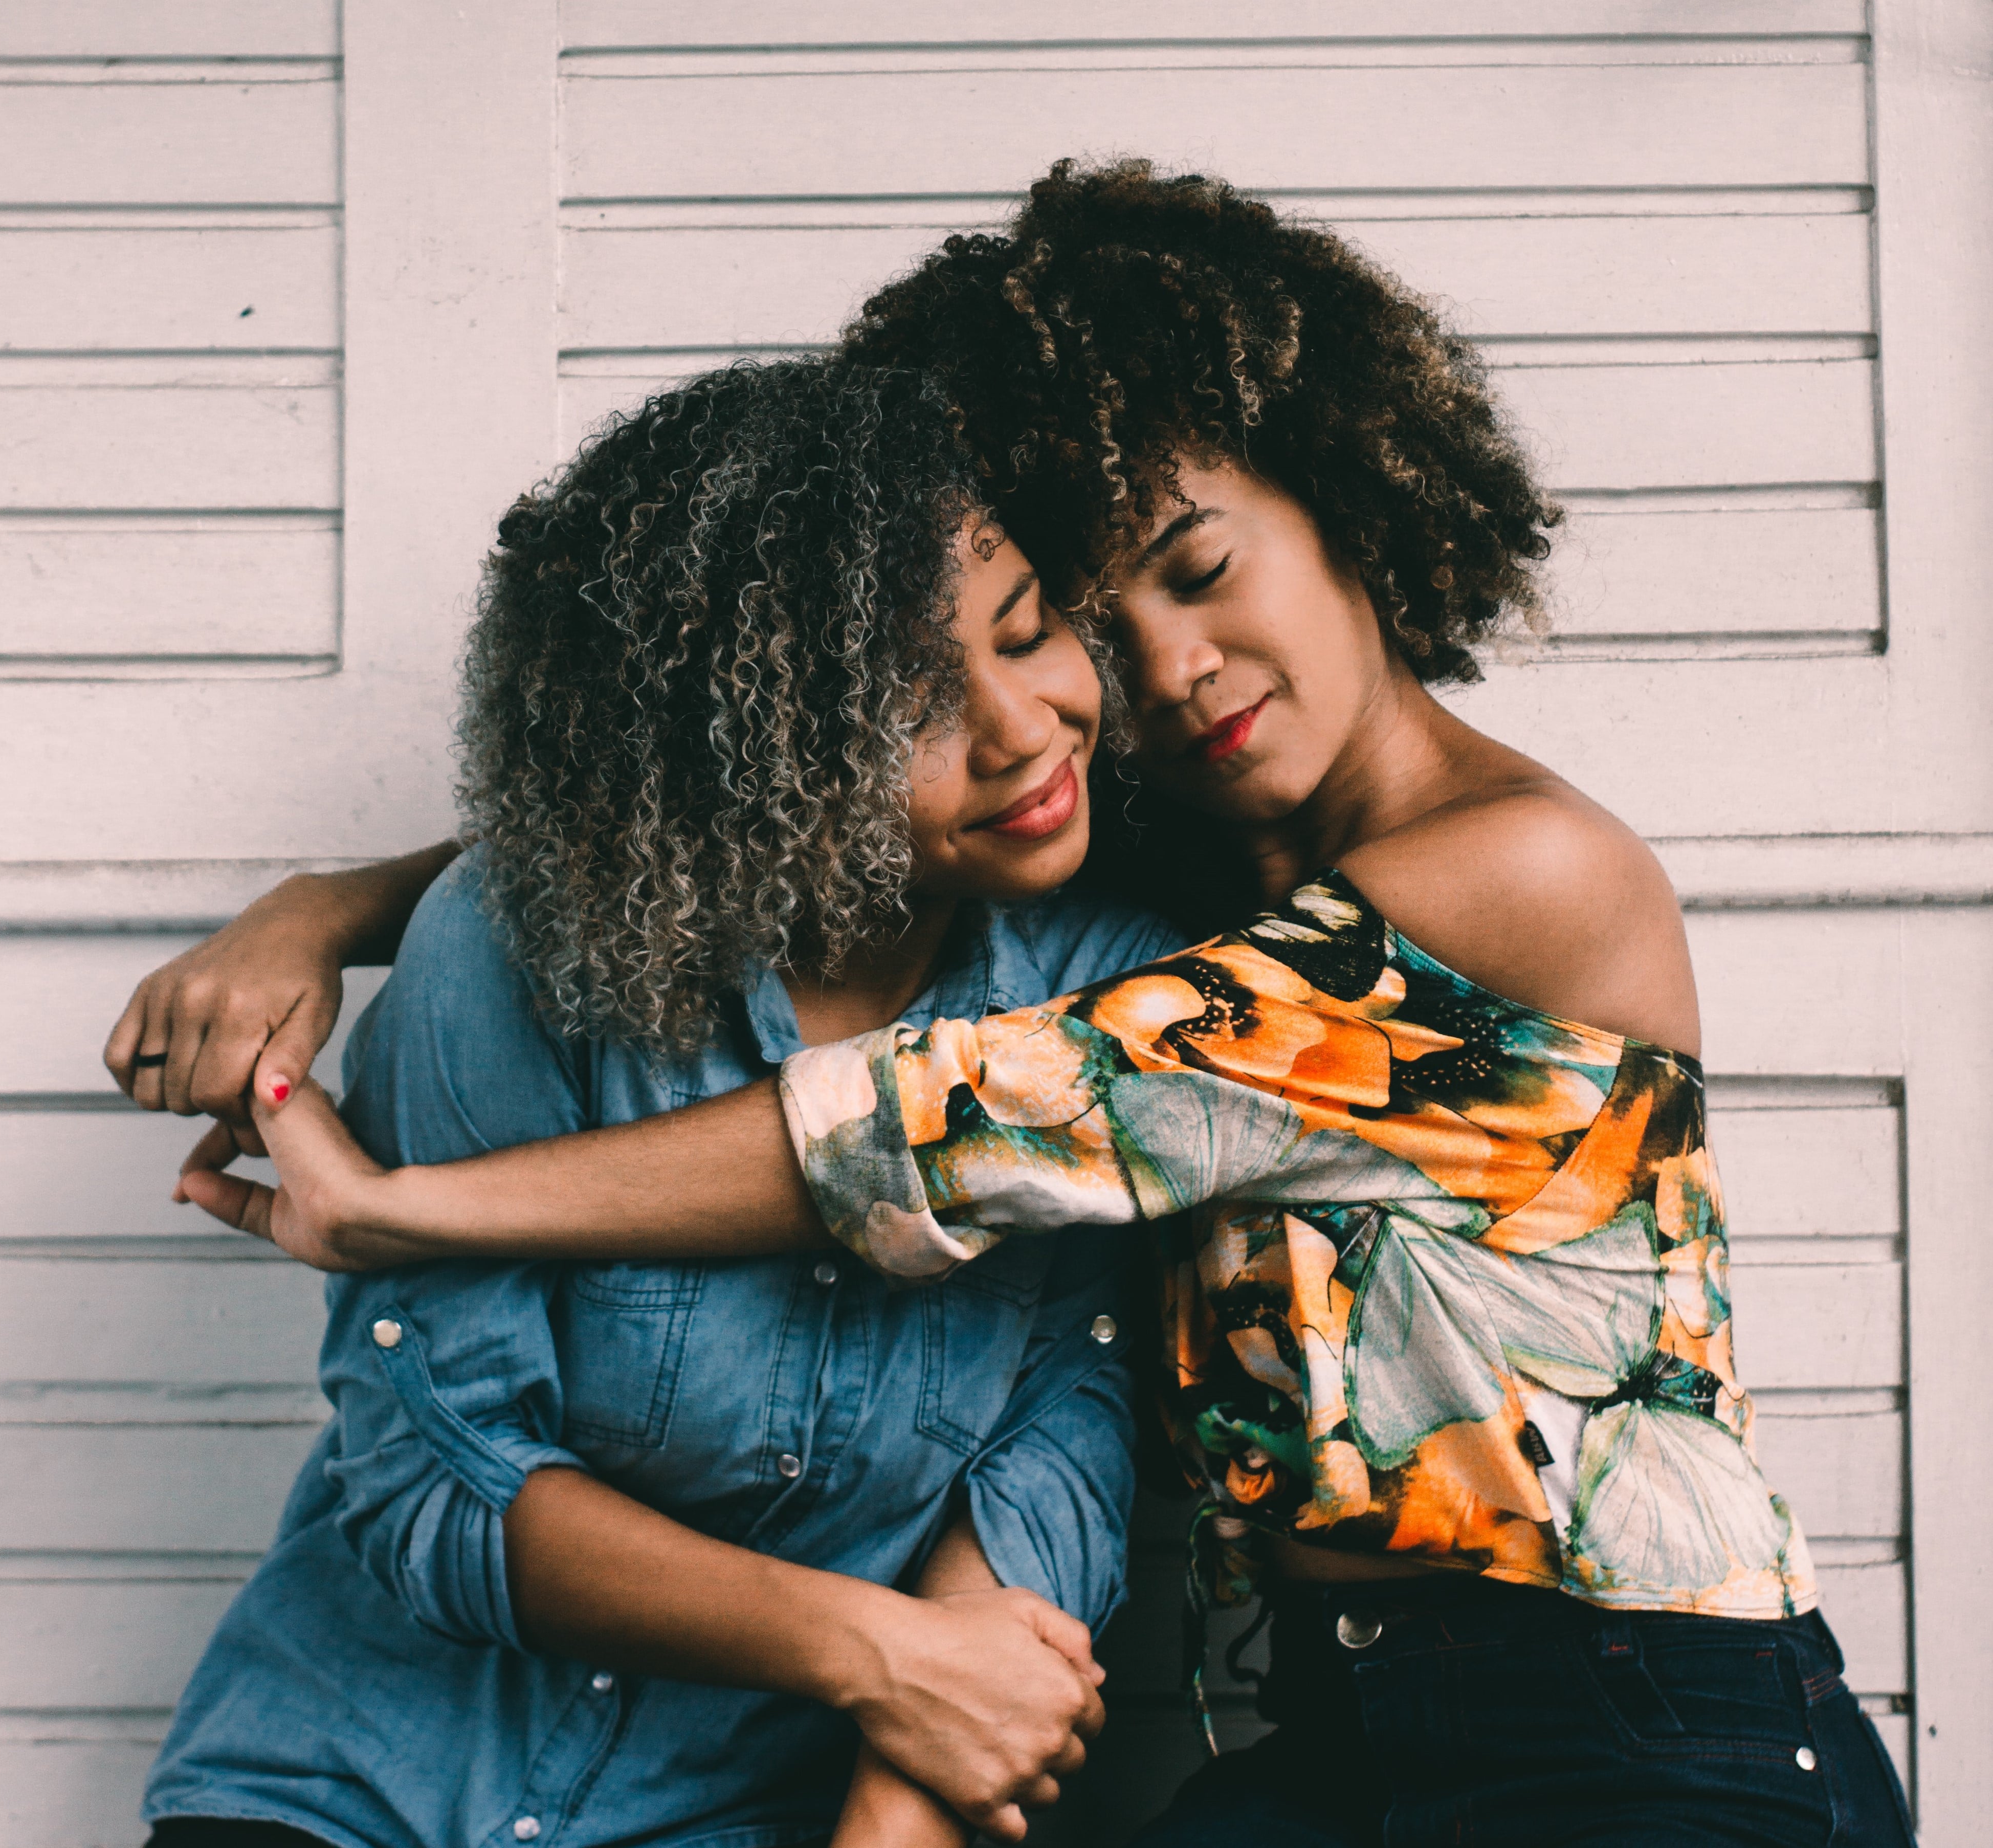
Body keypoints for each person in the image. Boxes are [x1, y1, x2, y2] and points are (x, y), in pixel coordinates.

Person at [116, 164, 1915, 1846]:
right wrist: (331, 905)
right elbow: (717, 806)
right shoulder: (1197, 891)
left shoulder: (1520, 872)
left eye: (1203, 571)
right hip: (1333, 1742)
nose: (1172, 669)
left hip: (1644, 1720)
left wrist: (407, 1207)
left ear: (1344, 487)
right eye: (1096, 622)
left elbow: (973, 1128)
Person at [125, 357, 1185, 1848]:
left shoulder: (1125, 998)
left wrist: (906, 1789)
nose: (1022, 729)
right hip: (357, 1782)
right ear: (748, 755)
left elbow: (1055, 1441)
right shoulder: (512, 955)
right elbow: (440, 1478)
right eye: (906, 714)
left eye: (1028, 633)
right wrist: (873, 1653)